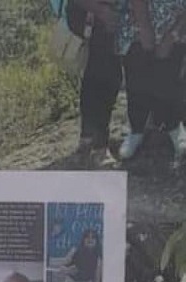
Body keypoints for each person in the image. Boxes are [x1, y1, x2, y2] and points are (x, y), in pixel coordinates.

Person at [115, 0, 186, 168]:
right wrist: (144, 26)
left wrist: (173, 33)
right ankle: (137, 130)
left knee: (170, 77)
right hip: (139, 21)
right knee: (137, 73)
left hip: (178, 23)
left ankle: (174, 127)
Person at [70, 0, 125, 164]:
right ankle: (98, 146)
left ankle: (88, 140)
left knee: (95, 78)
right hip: (93, 18)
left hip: (102, 17)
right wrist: (101, 10)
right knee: (104, 79)